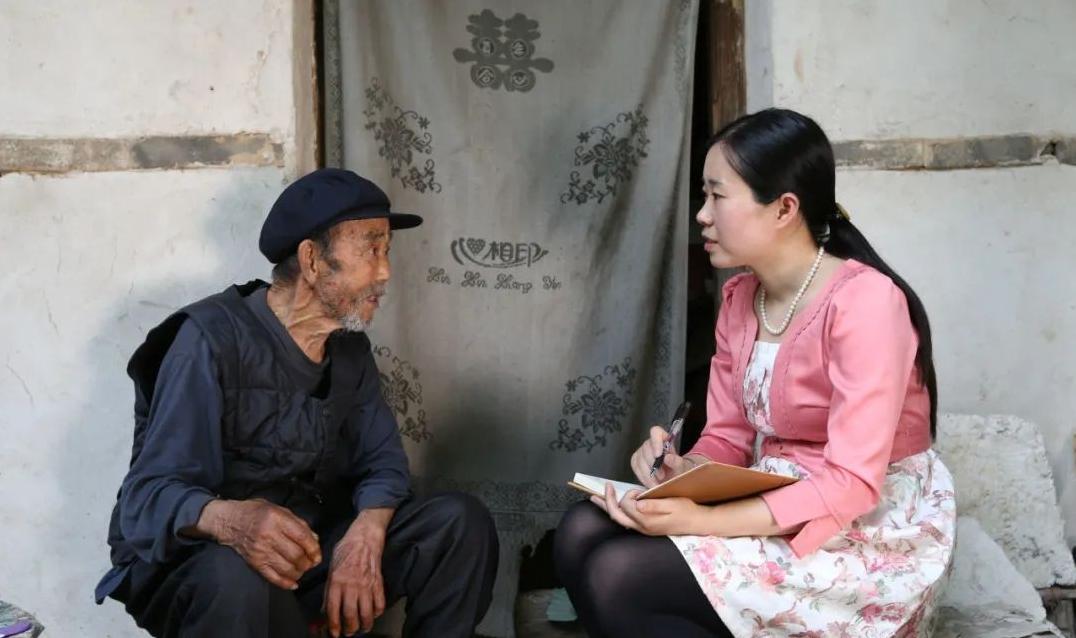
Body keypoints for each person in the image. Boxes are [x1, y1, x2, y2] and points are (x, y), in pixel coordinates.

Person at [554, 109, 955, 637]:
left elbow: (852, 483)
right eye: (704, 196)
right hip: (769, 499)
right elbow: (728, 437)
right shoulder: (742, 298)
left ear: (785, 208)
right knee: (580, 530)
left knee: (619, 572)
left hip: (861, 528)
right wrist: (681, 469)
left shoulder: (866, 302)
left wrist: (703, 519)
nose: (702, 215)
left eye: (717, 196)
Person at [94, 168, 499, 638]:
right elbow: (148, 496)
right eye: (370, 249)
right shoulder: (208, 340)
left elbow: (383, 464)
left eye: (386, 250)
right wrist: (233, 522)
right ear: (312, 260)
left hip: (301, 559)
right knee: (233, 576)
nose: (385, 271)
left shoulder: (349, 351)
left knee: (457, 523)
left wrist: (366, 534)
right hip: (203, 569)